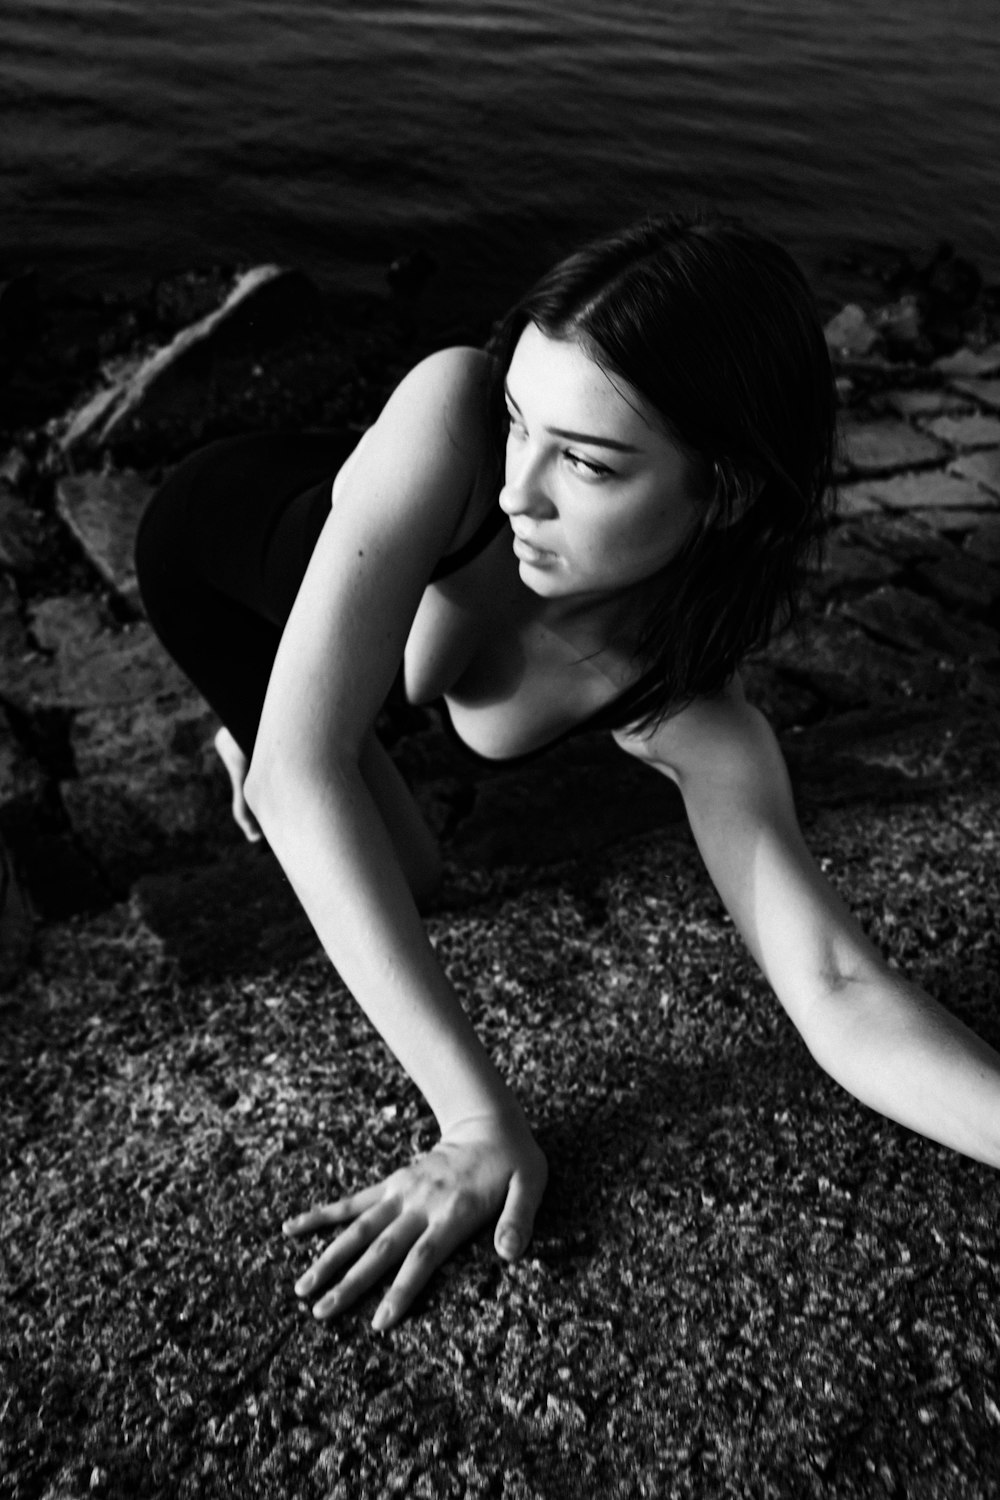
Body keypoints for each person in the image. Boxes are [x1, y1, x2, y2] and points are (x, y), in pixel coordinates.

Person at [135, 212, 1000, 1335]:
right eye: (519, 424)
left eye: (585, 463)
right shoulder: (452, 417)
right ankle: (262, 706)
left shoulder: (691, 709)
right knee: (338, 811)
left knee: (409, 871)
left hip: (386, 587)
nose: (518, 490)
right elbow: (306, 781)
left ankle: (313, 690)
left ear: (726, 489)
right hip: (228, 556)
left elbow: (835, 987)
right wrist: (476, 1122)